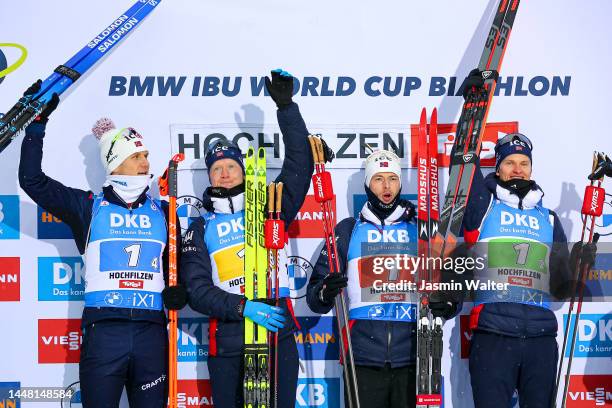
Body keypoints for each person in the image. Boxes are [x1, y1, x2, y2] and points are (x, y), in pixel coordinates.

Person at [18, 80, 186, 408]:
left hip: (152, 332)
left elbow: (178, 269)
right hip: (103, 331)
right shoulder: (88, 206)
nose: (146, 162)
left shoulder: (166, 210)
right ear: (115, 161)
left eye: (147, 155)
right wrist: (36, 127)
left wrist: (181, 294)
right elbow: (32, 180)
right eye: (137, 155)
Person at [180, 69, 316, 408]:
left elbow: (300, 164)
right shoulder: (199, 227)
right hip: (227, 341)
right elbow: (196, 291)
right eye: (216, 169)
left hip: (276, 332)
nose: (224, 174)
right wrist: (242, 308)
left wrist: (287, 109)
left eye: (231, 167)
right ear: (208, 177)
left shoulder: (272, 205)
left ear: (243, 171)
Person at [306, 149, 459, 408]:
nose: (386, 186)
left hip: (415, 356)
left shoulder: (422, 230)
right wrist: (325, 291)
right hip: (362, 358)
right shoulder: (348, 230)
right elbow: (314, 297)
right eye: (378, 179)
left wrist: (448, 303)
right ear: (367, 184)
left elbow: (452, 285)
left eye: (393, 178)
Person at [462, 133, 597, 407]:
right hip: (494, 334)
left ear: (532, 168)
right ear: (497, 167)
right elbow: (466, 171)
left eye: (524, 163)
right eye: (510, 162)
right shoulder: (484, 207)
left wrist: (578, 266)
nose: (518, 169)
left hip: (541, 339)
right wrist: (469, 140)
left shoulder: (548, 219)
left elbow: (560, 288)